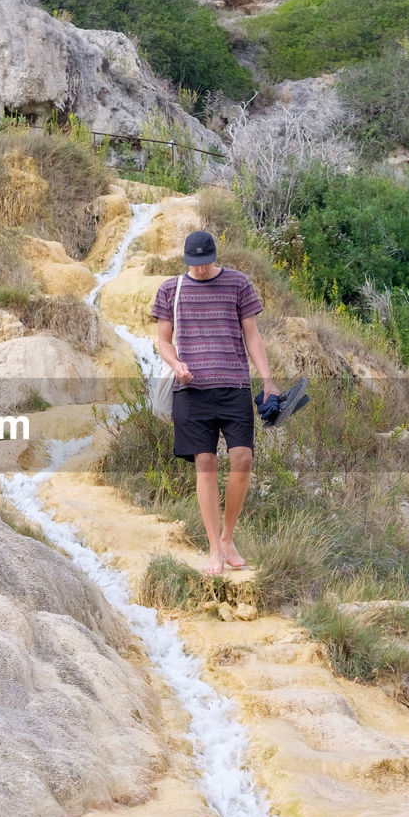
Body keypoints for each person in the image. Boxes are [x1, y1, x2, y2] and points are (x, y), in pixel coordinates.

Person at [151, 231, 279, 575]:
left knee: (243, 459)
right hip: (191, 393)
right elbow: (163, 340)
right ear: (186, 260)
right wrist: (176, 366)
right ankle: (213, 550)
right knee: (205, 464)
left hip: (234, 385)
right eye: (196, 264)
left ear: (215, 255)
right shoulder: (169, 289)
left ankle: (227, 536)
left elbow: (252, 333)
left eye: (206, 262)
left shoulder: (238, 283)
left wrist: (267, 380)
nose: (202, 269)